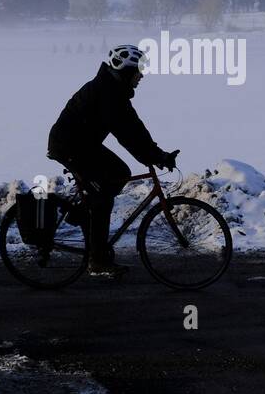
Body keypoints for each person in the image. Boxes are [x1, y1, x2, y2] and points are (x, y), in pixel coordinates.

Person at [47, 44, 178, 277]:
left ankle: (83, 213)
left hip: (82, 144)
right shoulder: (108, 94)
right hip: (69, 146)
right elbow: (127, 134)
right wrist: (155, 156)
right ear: (126, 71)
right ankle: (96, 259)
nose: (141, 76)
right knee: (105, 193)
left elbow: (134, 128)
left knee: (116, 176)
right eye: (138, 71)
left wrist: (156, 154)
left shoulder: (113, 91)